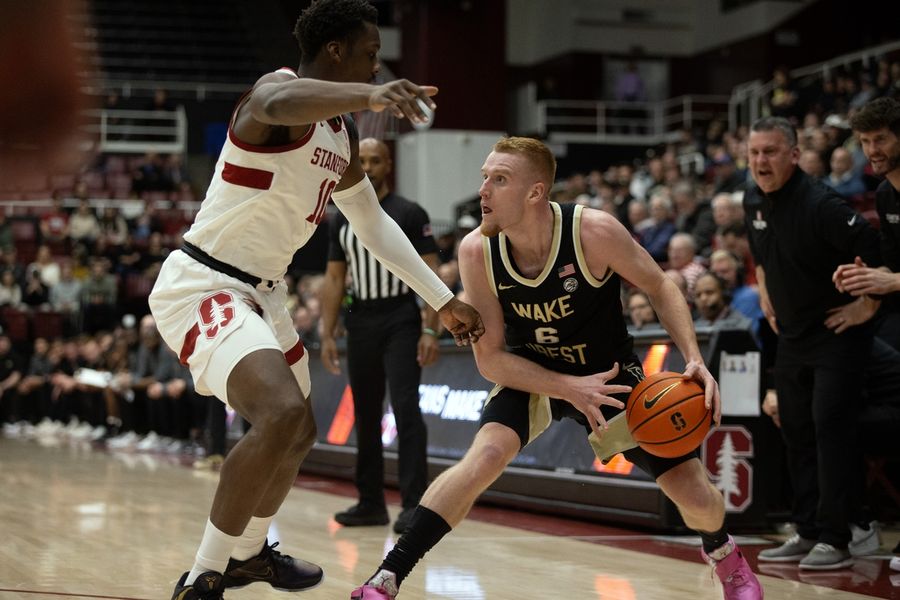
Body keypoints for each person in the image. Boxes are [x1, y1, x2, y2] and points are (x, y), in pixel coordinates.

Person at [146, 2, 484, 599]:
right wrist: (370, 97)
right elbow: (279, 106)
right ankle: (203, 575)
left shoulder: (341, 135)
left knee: (298, 428)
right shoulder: (276, 93)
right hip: (208, 281)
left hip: (265, 294)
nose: (377, 68)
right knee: (277, 413)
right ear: (337, 51)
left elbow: (372, 225)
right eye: (371, 54)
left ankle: (249, 555)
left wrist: (441, 298)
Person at [351, 137, 762, 600]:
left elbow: (660, 286)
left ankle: (724, 554)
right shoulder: (476, 251)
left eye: (498, 179)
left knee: (697, 498)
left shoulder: (594, 232)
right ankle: (385, 579)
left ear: (535, 192)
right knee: (484, 458)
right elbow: (490, 360)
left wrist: (692, 357)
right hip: (532, 373)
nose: (483, 189)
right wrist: (567, 387)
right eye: (484, 177)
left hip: (608, 377)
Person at [743, 117, 881, 570]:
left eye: (771, 152)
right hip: (792, 336)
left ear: (794, 155)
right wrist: (764, 289)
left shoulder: (822, 204)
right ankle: (805, 530)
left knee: (829, 430)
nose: (761, 161)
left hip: (836, 333)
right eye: (754, 152)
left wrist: (867, 306)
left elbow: (878, 251)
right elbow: (760, 256)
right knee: (796, 430)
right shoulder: (752, 199)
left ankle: (838, 537)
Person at [321, 138, 441, 534]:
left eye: (375, 160)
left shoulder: (409, 212)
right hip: (362, 321)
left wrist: (430, 327)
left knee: (406, 408)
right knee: (366, 412)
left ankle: (414, 505)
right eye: (362, 161)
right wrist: (326, 333)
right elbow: (336, 278)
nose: (368, 167)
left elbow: (430, 271)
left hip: (401, 319)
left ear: (388, 165)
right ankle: (370, 502)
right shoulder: (340, 218)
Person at [833, 97, 900, 350]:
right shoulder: (884, 194)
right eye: (865, 141)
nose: (872, 151)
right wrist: (865, 277)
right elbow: (893, 267)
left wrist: (893, 282)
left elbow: (895, 279)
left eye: (880, 140)